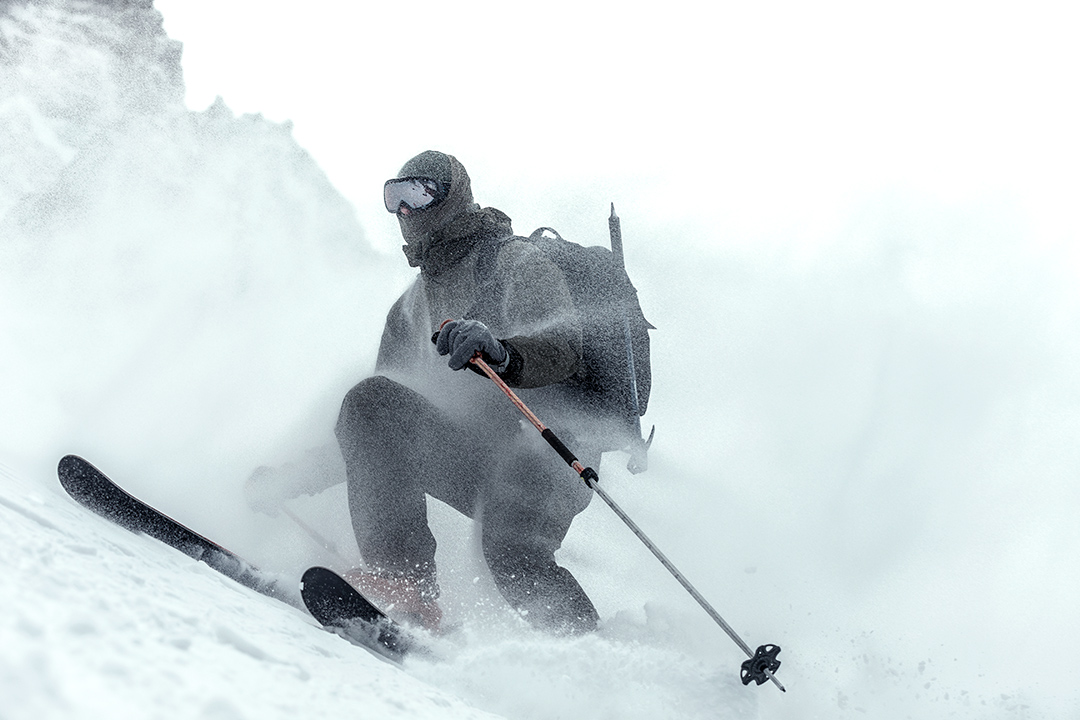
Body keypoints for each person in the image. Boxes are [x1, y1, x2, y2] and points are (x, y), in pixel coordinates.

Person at [334, 150, 608, 635]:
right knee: (371, 401)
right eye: (394, 198)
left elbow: (565, 347)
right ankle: (406, 587)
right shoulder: (409, 310)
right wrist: (290, 480)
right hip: (476, 453)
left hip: (547, 455)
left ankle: (610, 677)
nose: (407, 212)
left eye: (419, 193)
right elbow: (374, 432)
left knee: (511, 552)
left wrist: (502, 353)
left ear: (453, 196)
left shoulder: (513, 262)